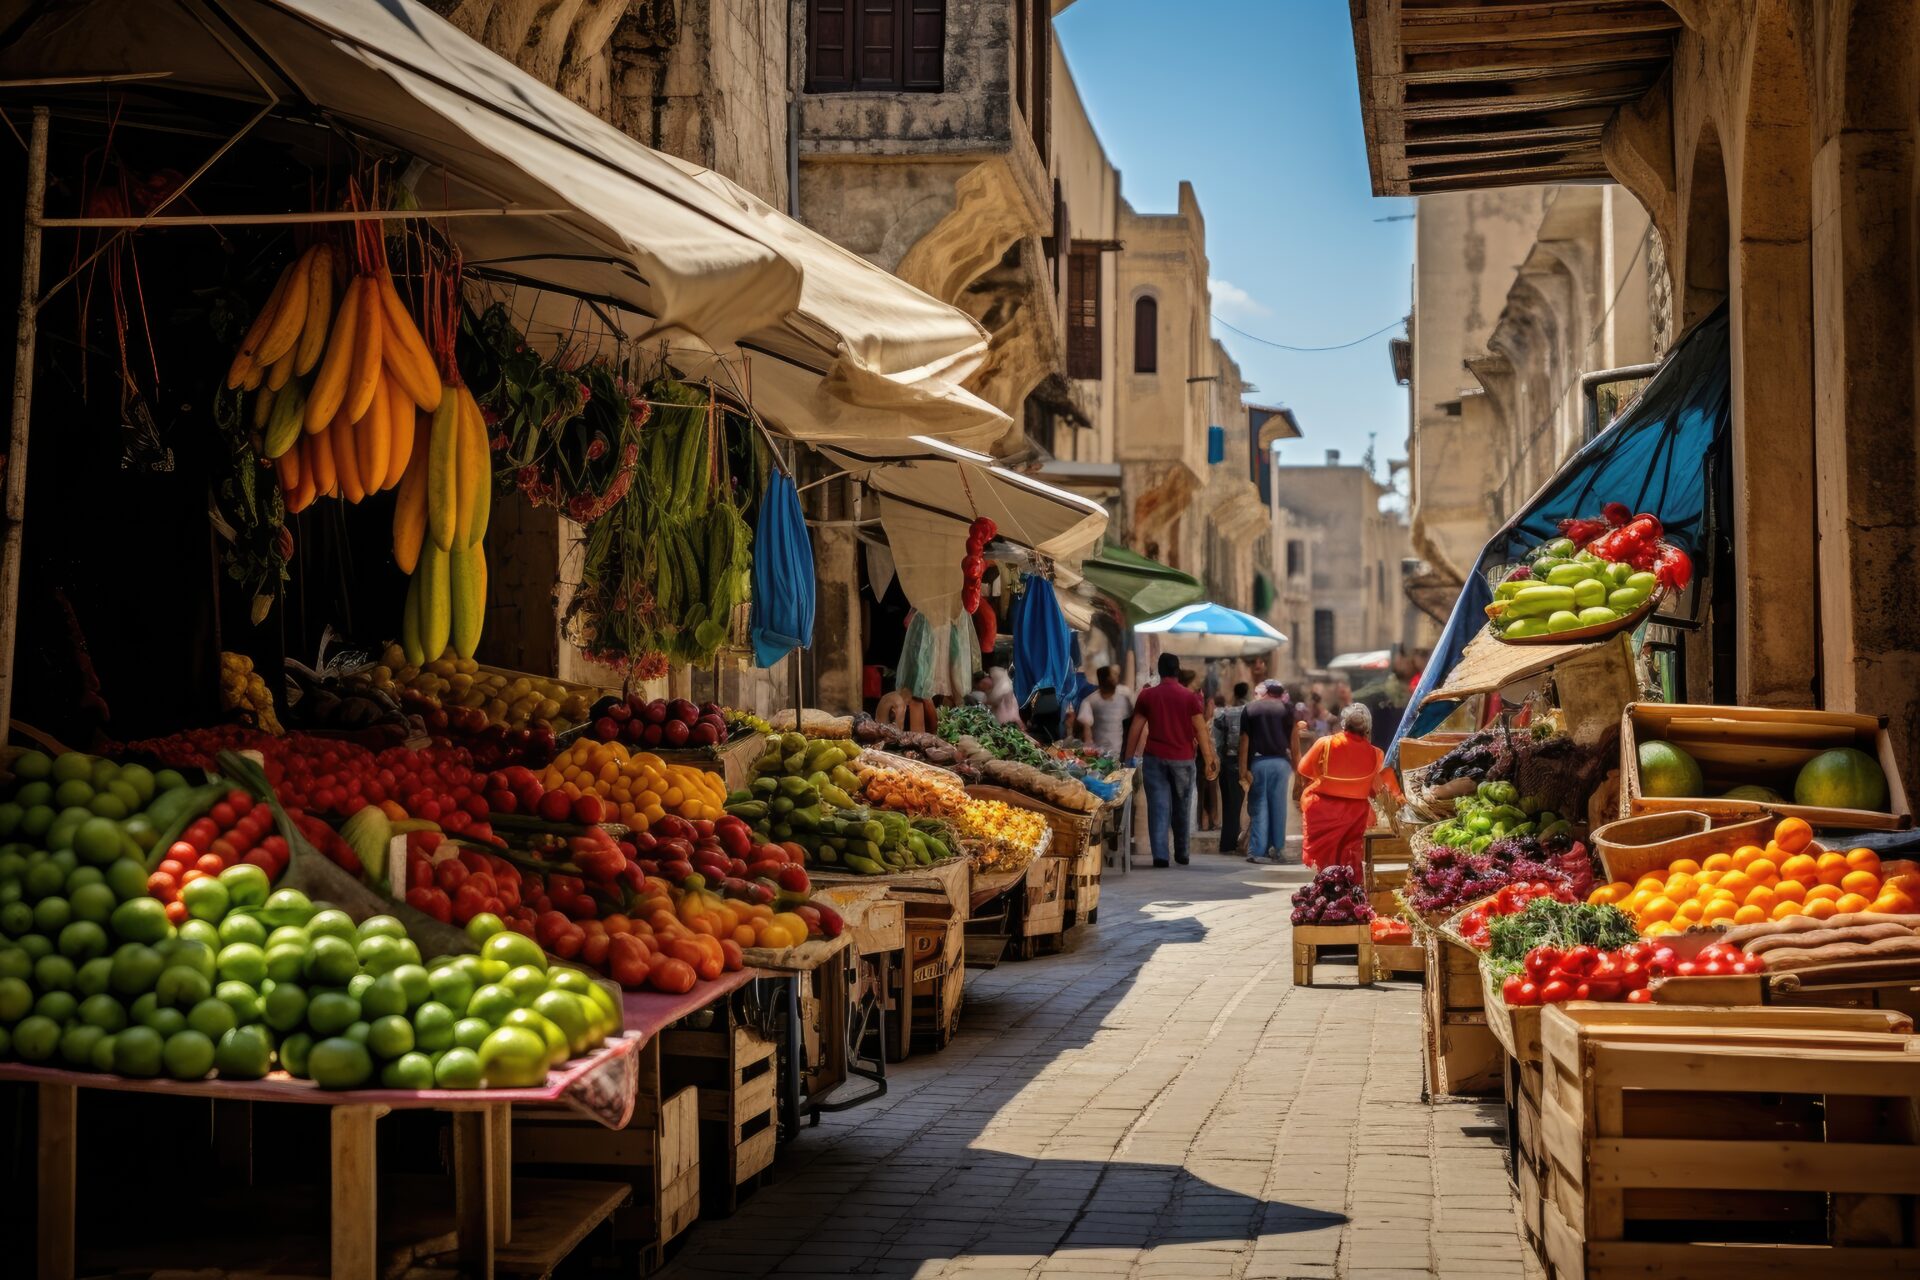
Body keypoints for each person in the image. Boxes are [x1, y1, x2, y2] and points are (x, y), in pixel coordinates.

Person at [1124, 653, 1218, 868]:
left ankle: (1160, 856)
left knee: (1158, 806)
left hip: (1154, 758)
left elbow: (1136, 728)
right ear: (1177, 670)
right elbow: (1201, 730)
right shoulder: (1188, 697)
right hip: (1183, 759)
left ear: (1160, 670)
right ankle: (1182, 853)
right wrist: (1209, 758)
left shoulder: (1147, 696)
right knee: (1182, 807)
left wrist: (1128, 758)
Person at [1296, 702, 1402, 876]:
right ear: (1368, 728)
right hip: (1355, 814)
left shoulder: (1325, 743)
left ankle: (1328, 885)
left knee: (1325, 864)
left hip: (1321, 810)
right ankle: (1348, 890)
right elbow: (1379, 787)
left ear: (1343, 724)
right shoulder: (1375, 753)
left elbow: (1304, 769)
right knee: (1350, 857)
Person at [1239, 681, 1295, 863]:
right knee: (1279, 808)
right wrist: (1297, 767)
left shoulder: (1251, 708)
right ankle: (1277, 849)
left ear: (1266, 692)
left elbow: (1244, 741)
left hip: (1259, 762)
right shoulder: (1286, 709)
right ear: (1279, 693)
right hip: (1281, 764)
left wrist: (1243, 769)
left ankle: (1257, 851)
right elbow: (1293, 740)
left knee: (1260, 807)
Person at [1213, 682, 1250, 854]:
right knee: (1239, 804)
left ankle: (1227, 842)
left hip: (1227, 761)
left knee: (1229, 804)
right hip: (1243, 762)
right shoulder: (1250, 712)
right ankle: (1233, 843)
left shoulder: (1223, 714)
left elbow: (1218, 741)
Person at [1076, 665, 1134, 760]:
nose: (1116, 677)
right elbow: (1087, 730)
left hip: (1120, 753)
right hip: (1099, 756)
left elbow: (1132, 721)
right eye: (1113, 675)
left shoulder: (1124, 696)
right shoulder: (1090, 701)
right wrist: (1089, 751)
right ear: (1106, 679)